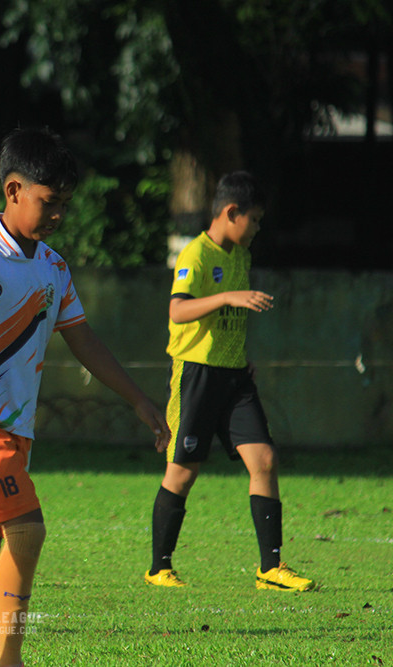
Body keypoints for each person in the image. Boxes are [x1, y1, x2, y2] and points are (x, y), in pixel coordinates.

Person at [0, 127, 170, 667]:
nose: (57, 213)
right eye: (48, 201)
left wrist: (138, 399)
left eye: (64, 204)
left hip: (13, 429)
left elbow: (82, 339)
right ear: (12, 191)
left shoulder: (53, 266)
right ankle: (10, 659)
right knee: (27, 530)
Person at [144, 171, 315, 592]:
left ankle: (270, 569)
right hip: (197, 375)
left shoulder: (240, 254)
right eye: (253, 220)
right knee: (183, 473)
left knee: (266, 461)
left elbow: (227, 319)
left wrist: (243, 357)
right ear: (231, 212)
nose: (257, 229)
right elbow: (178, 311)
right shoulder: (195, 256)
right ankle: (159, 568)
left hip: (234, 376)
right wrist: (227, 297)